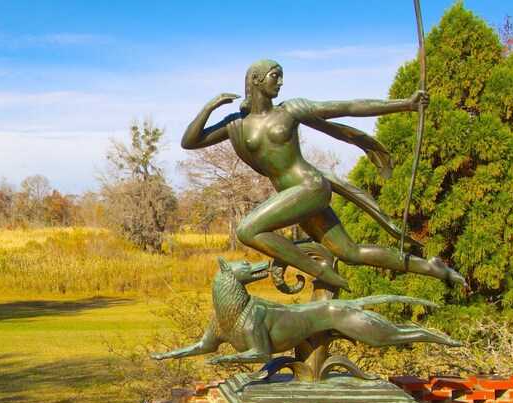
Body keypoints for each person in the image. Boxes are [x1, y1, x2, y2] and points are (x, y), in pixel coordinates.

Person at [181, 59, 464, 291]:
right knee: (350, 253)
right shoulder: (237, 124)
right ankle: (430, 267)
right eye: (275, 76)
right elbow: (190, 141)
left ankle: (318, 270)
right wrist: (209, 107)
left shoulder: (290, 111)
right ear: (256, 80)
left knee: (247, 230)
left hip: (310, 187)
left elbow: (347, 107)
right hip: (294, 198)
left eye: (281, 78)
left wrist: (406, 104)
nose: (280, 82)